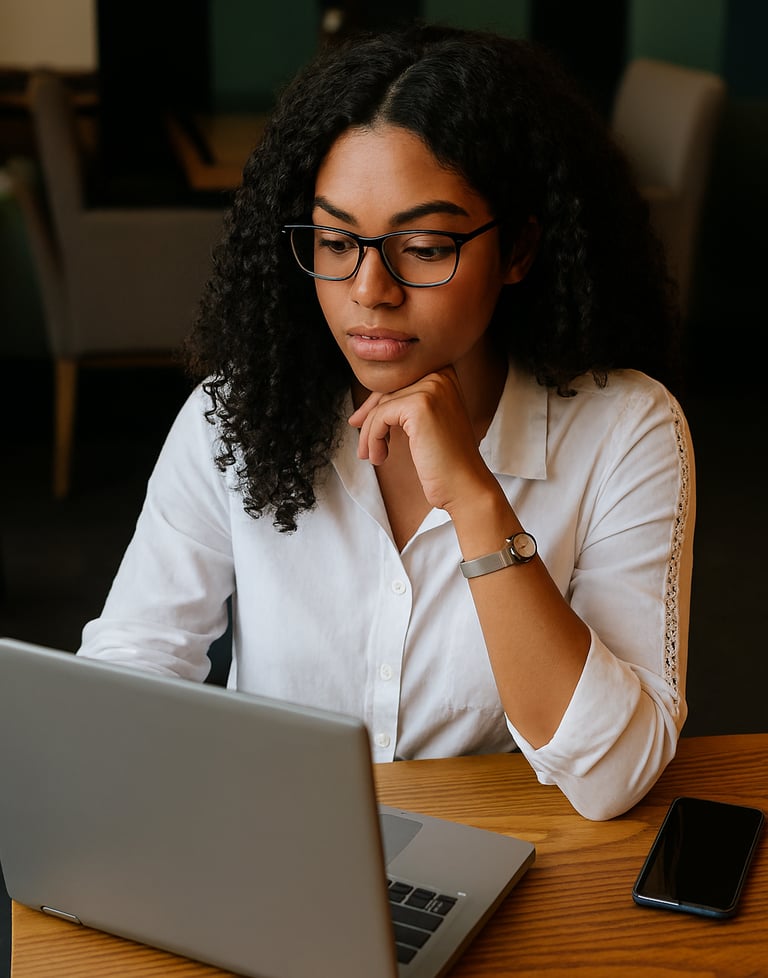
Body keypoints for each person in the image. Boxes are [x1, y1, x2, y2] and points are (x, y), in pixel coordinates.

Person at [77, 23, 695, 821]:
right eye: (336, 241)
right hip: (279, 846)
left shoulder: (626, 431)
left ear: (519, 250)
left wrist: (477, 504)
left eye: (426, 246)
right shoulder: (232, 418)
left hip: (511, 861)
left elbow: (615, 774)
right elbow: (130, 668)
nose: (370, 288)